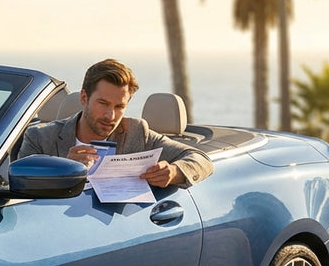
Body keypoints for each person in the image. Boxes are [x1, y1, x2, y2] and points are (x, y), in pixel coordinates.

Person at [20, 58, 213, 188]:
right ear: (84, 98)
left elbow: (200, 159)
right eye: (103, 103)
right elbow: (20, 186)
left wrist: (173, 172)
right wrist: (63, 170)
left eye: (119, 106)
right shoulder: (40, 137)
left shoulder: (138, 132)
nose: (110, 115)